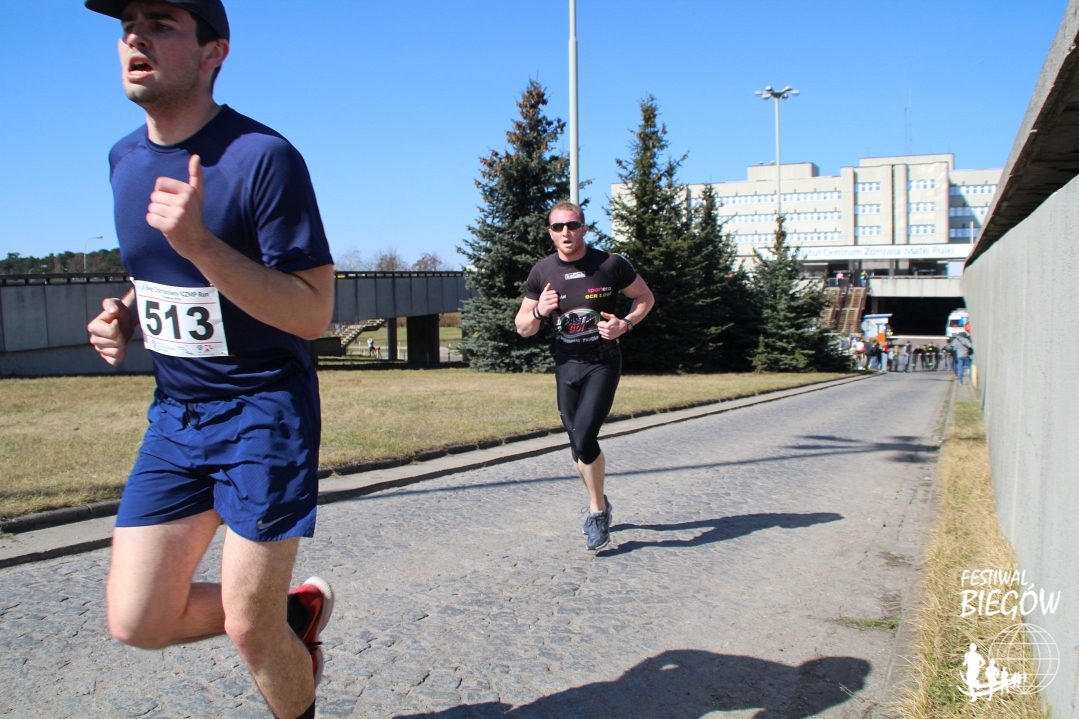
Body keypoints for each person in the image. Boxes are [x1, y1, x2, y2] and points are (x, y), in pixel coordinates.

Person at [84, 3, 334, 718]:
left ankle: (273, 634)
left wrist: (200, 244)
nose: (136, 36)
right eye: (128, 23)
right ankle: (293, 615)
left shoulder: (261, 157)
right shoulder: (123, 160)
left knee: (249, 628)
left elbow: (312, 311)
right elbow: (156, 273)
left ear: (213, 51)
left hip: (263, 411)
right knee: (138, 620)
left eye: (162, 22)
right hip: (176, 417)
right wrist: (125, 313)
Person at [515, 201, 655, 552]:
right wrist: (538, 310)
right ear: (550, 232)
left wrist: (626, 324)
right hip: (567, 365)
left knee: (585, 437)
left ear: (584, 229)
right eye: (558, 227)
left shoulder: (610, 264)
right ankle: (600, 500)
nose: (566, 232)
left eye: (573, 225)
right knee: (577, 444)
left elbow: (645, 297)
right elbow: (523, 327)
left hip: (602, 363)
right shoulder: (542, 272)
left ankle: (597, 512)